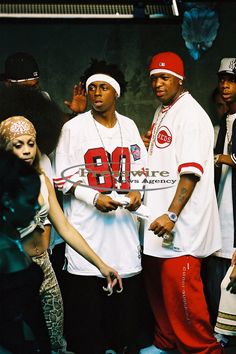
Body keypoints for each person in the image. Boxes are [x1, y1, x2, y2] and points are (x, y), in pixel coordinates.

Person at [0, 115, 122, 354]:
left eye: (30, 143)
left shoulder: (42, 180)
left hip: (44, 268)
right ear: (5, 147)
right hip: (14, 275)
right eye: (18, 145)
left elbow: (64, 227)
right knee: (23, 344)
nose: (27, 150)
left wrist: (101, 264)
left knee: (54, 341)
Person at [52, 59, 149, 354]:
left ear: (116, 93)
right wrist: (93, 197)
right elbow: (61, 178)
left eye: (103, 87)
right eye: (92, 87)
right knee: (87, 314)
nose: (96, 93)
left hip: (122, 229)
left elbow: (142, 167)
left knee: (123, 311)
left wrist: (137, 190)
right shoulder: (73, 128)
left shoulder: (129, 126)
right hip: (87, 228)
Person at [141, 52, 223, 354]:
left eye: (164, 77)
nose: (158, 84)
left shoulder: (192, 115)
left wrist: (172, 214)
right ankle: (165, 343)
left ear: (179, 79)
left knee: (182, 294)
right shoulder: (165, 110)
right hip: (158, 221)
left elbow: (191, 173)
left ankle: (204, 350)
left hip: (181, 226)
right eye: (153, 78)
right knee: (158, 290)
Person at [0, 150, 51, 354]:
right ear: (7, 201)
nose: (38, 206)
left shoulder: (12, 237)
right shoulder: (2, 253)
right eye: (30, 200)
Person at [205, 58, 236, 347]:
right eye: (222, 79)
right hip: (219, 215)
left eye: (232, 80)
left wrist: (225, 158)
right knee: (217, 279)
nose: (225, 85)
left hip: (233, 218)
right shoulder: (222, 125)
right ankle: (220, 335)